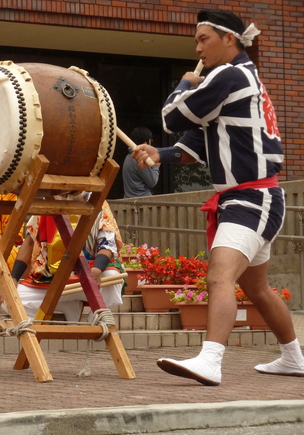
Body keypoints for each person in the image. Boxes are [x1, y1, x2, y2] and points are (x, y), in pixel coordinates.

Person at [131, 9, 304, 386]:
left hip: (250, 198)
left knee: (219, 276)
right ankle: (294, 357)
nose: (197, 47)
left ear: (229, 38)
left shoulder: (228, 74)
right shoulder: (244, 78)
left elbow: (172, 117)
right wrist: (161, 154)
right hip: (258, 196)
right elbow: (195, 144)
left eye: (203, 38)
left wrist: (184, 83)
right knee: (255, 287)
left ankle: (211, 359)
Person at [2, 194, 125, 323]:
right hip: (51, 277)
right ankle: (67, 306)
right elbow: (30, 242)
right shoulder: (49, 201)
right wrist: (14, 278)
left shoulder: (98, 202)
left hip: (89, 275)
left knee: (112, 277)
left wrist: (97, 270)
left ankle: (96, 319)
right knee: (8, 300)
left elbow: (107, 244)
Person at [122, 126, 160, 198]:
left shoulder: (128, 157)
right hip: (142, 201)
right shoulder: (140, 158)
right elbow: (152, 182)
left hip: (128, 200)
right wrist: (156, 165)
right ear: (146, 142)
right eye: (151, 141)